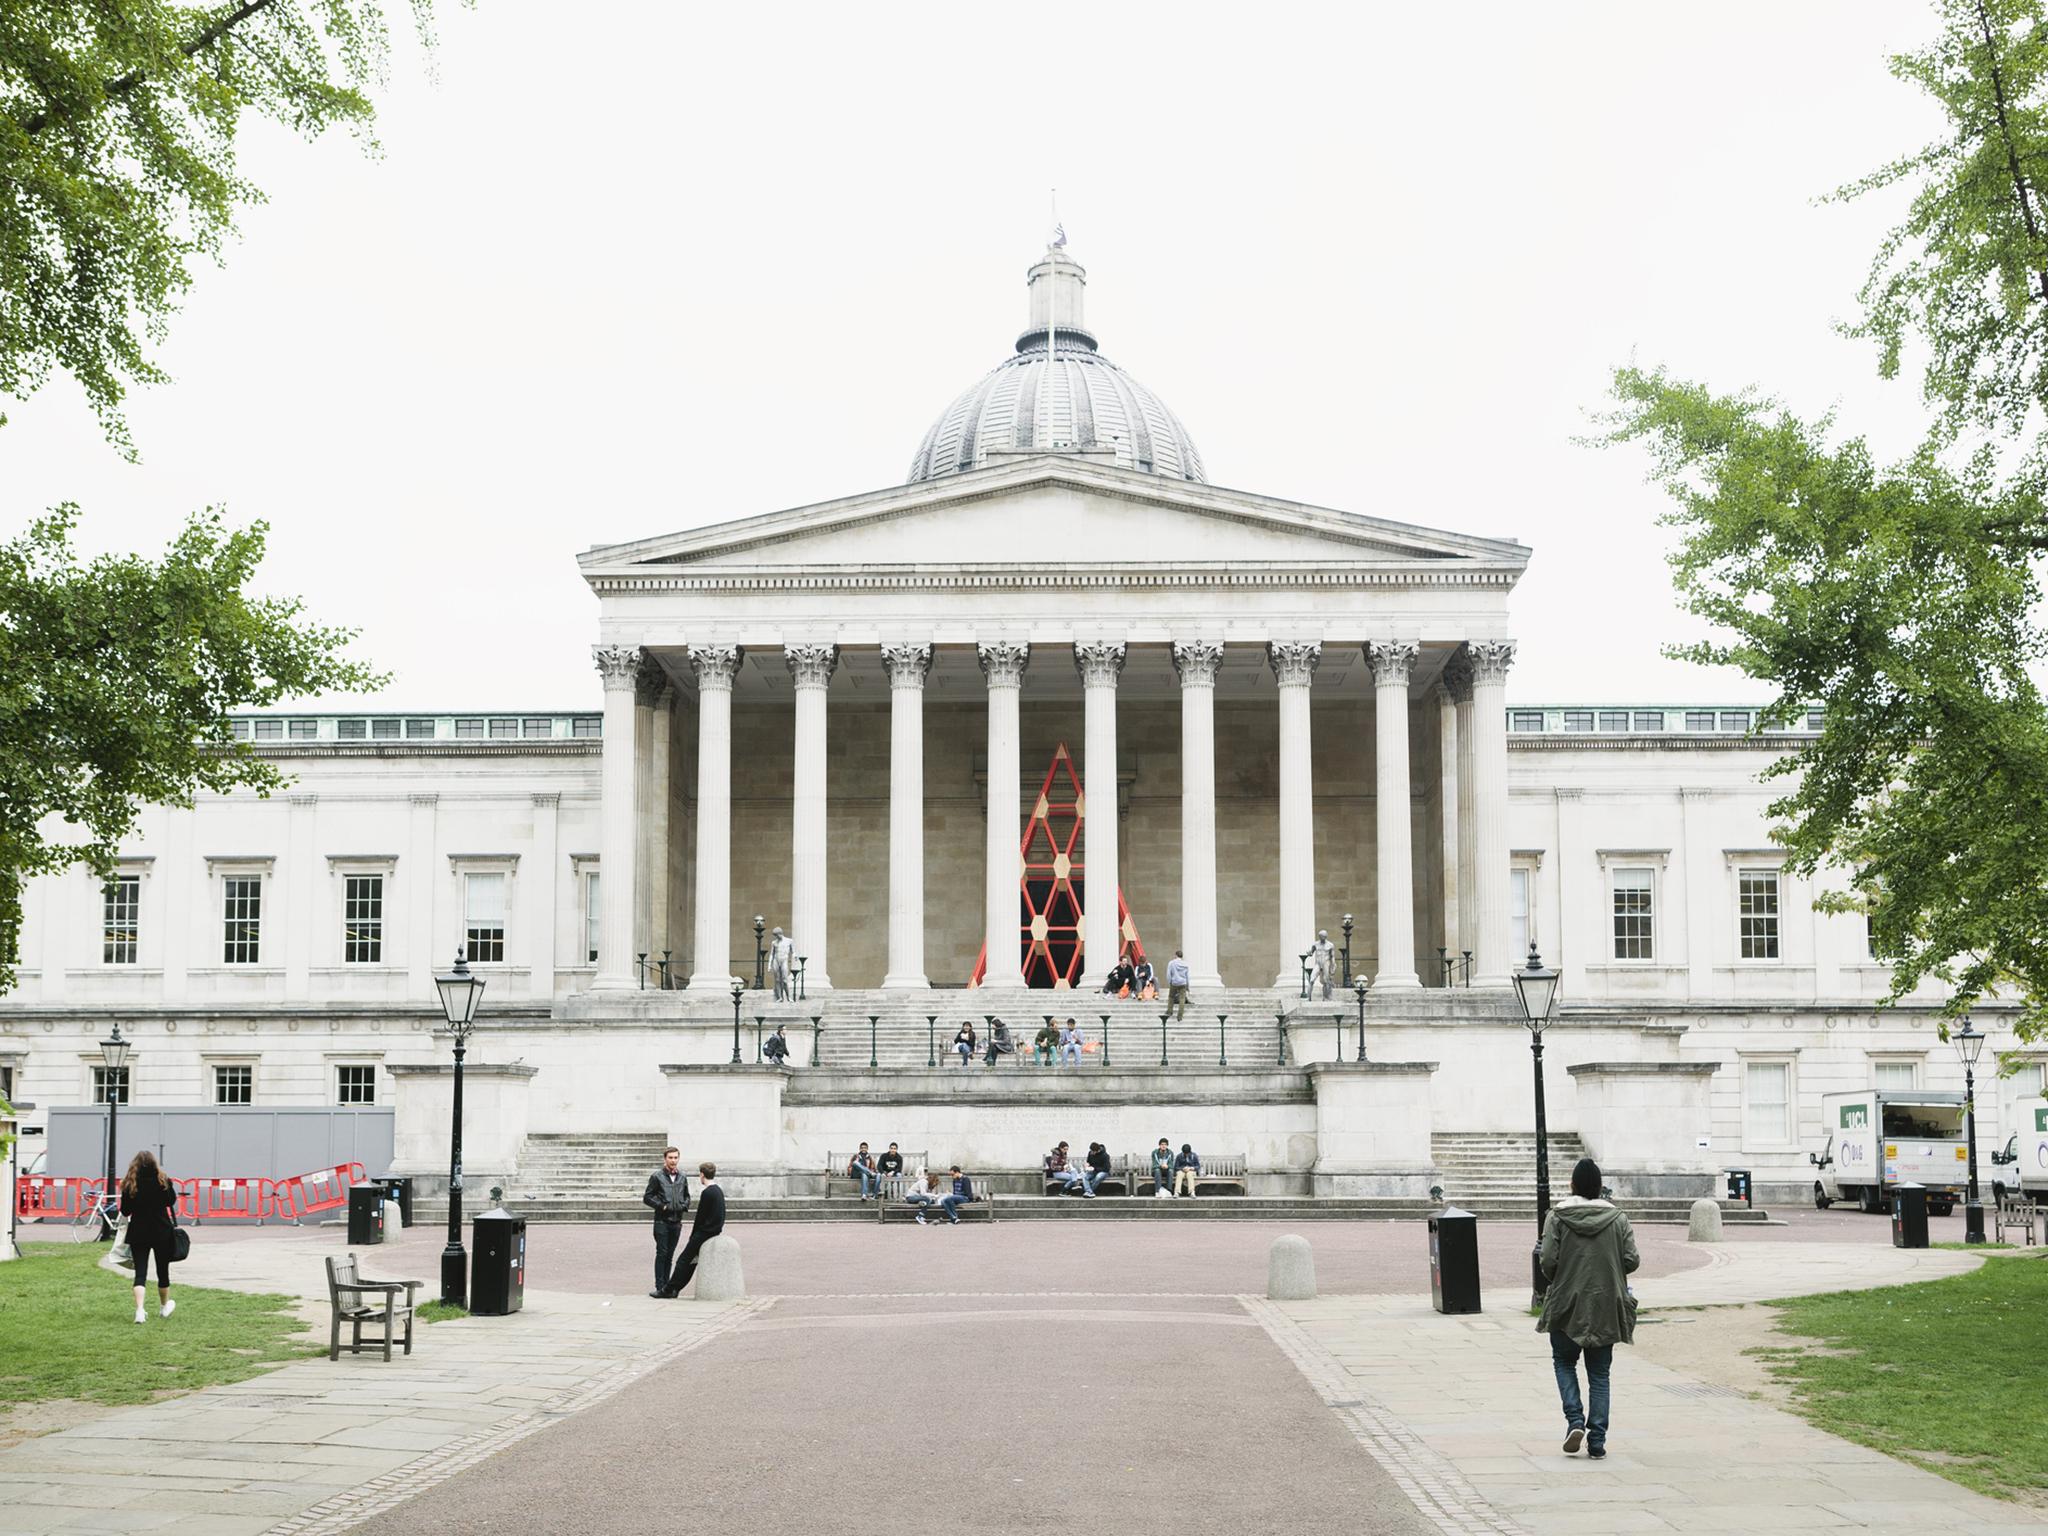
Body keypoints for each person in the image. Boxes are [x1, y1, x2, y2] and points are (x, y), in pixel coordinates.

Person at [1537, 1157, 1640, 1461]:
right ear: (1599, 1187)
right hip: (1606, 1304)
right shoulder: (1618, 1219)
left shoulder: (1557, 1217)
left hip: (1567, 1303)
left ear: (1572, 1185)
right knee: (1599, 1374)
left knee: (1563, 1362)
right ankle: (1597, 1440)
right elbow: (1632, 1260)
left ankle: (1574, 1421)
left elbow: (1547, 1262)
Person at [120, 1151, 178, 1323]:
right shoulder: (163, 1181)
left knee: (140, 1273)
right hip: (162, 1231)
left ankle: (139, 1310)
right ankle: (164, 1307)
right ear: (154, 1164)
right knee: (162, 1271)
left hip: (139, 1232)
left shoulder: (130, 1184)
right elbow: (170, 1202)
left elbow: (125, 1211)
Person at [661, 1161, 726, 1297]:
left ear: (702, 1175)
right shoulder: (718, 1191)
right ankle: (675, 1289)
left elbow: (700, 1217)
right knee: (691, 1262)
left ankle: (669, 1289)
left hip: (703, 1232)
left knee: (683, 1260)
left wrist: (693, 1236)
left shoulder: (707, 1193)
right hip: (713, 1230)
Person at [641, 1146, 691, 1297]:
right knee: (662, 1253)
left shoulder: (682, 1176)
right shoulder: (657, 1177)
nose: (673, 1160)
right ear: (665, 1159)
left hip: (677, 1221)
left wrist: (685, 1205)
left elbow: (687, 1195)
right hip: (662, 1221)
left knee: (670, 1254)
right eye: (670, 1158)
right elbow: (647, 1197)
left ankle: (666, 1288)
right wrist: (662, 1206)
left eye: (676, 1157)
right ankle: (660, 1286)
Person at [769, 925, 796, 1001]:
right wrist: (769, 965)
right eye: (775, 936)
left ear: (780, 933)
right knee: (777, 980)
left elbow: (793, 951)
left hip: (784, 960)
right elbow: (772, 954)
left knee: (784, 980)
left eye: (776, 935)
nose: (776, 937)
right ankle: (780, 997)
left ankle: (788, 997)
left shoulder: (789, 941)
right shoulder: (774, 943)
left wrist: (795, 956)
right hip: (776, 961)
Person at [1309, 928, 1336, 1000]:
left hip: (1326, 963)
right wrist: (1309, 953)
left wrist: (1333, 965)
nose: (1322, 938)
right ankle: (1308, 997)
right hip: (1318, 963)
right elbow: (1311, 952)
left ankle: (1326, 997)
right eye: (1320, 936)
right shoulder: (1315, 944)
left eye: (1323, 936)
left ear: (1326, 936)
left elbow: (1332, 957)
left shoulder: (1330, 945)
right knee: (1311, 979)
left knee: (1326, 980)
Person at [1165, 949, 1191, 1021]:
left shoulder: (1171, 963)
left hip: (1174, 982)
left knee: (1171, 997)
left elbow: (1168, 974)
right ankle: (1180, 1016)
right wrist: (1188, 986)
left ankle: (1170, 1011)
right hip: (1183, 983)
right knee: (1182, 999)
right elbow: (1187, 976)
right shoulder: (1185, 964)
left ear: (1176, 955)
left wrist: (1169, 981)